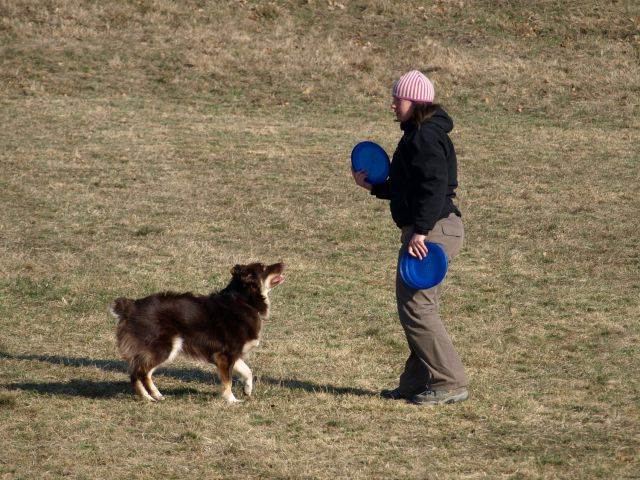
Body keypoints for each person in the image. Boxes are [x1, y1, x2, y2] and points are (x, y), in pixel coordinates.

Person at [352, 70, 468, 405]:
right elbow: (411, 187)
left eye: (397, 99)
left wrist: (420, 230)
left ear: (415, 102)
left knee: (418, 308)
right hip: (432, 227)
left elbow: (434, 184)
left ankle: (449, 381)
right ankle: (416, 384)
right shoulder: (418, 134)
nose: (392, 105)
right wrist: (374, 187)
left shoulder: (424, 137)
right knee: (415, 307)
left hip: (432, 230)